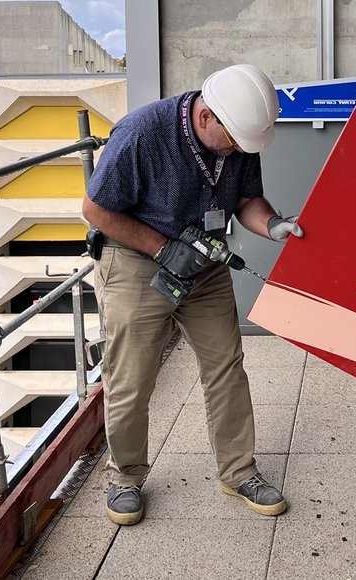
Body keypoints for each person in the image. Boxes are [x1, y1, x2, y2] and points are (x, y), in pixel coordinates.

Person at [81, 63, 304, 526]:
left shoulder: (238, 131)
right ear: (206, 118)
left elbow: (247, 201)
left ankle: (238, 472)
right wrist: (164, 249)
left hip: (203, 263)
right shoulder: (141, 134)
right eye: (237, 141)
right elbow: (96, 209)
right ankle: (125, 478)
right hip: (136, 262)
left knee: (226, 367)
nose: (243, 150)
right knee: (131, 379)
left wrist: (274, 225)